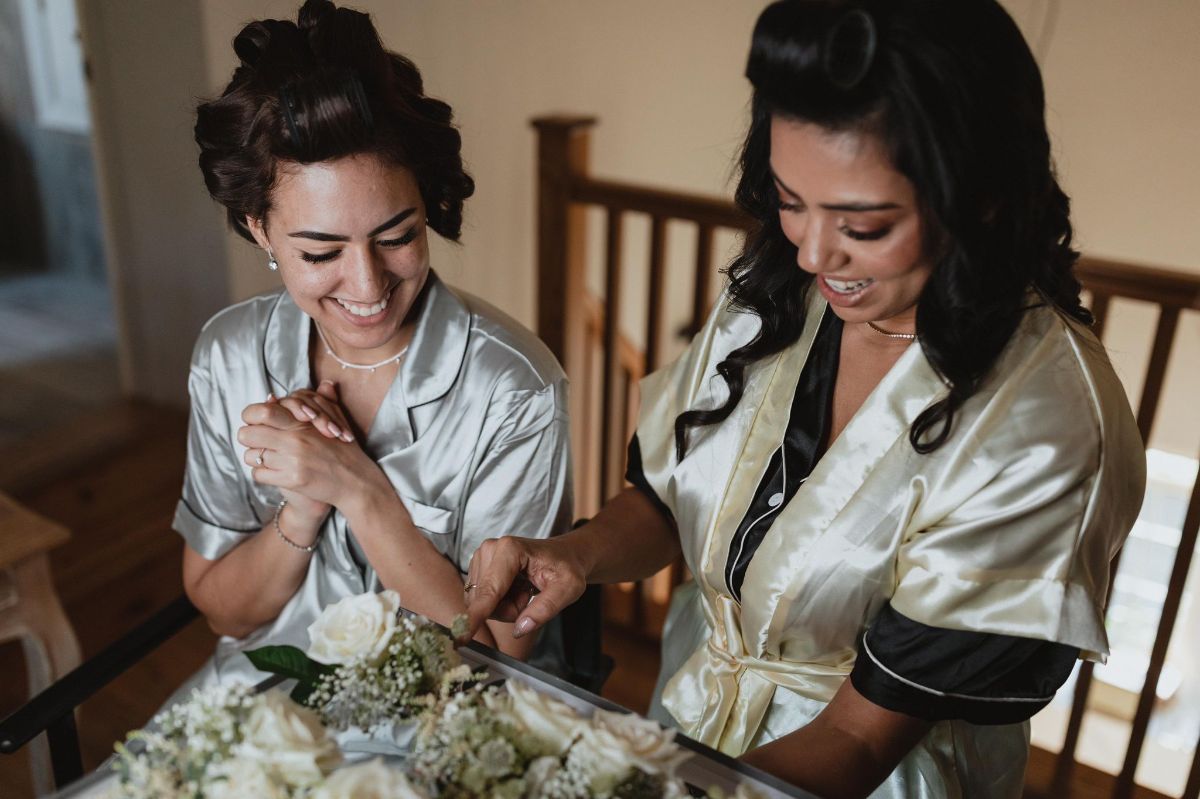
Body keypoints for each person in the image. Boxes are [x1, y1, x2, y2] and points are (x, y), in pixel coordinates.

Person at [463, 1, 1145, 796]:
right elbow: (666, 499)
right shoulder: (779, 292)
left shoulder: (1044, 427)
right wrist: (573, 555)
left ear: (980, 195)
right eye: (791, 200)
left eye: (863, 223)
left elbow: (859, 737)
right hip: (695, 728)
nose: (814, 251)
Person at [175, 0, 571, 690]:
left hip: (447, 716)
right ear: (260, 229)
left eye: (396, 236)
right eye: (321, 250)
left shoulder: (515, 387)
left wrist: (358, 488)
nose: (368, 283)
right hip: (262, 695)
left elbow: (501, 653)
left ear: (426, 206)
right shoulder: (229, 353)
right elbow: (220, 609)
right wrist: (302, 504)